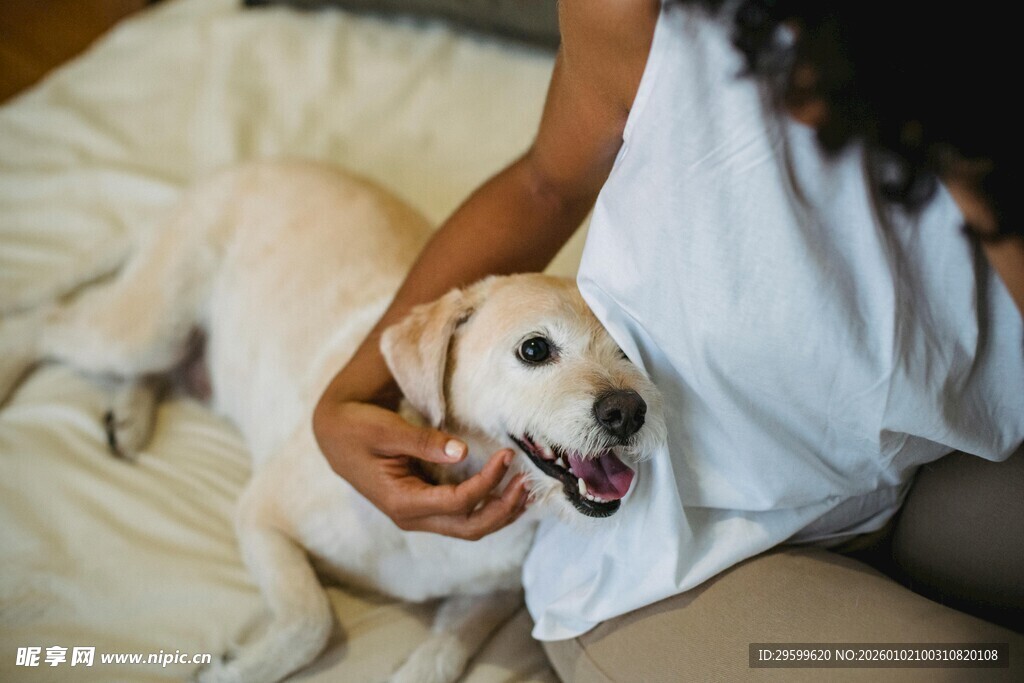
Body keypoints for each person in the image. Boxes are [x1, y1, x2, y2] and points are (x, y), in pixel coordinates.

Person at [314, 0, 1024, 676]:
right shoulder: (636, 16)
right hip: (671, 540)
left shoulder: (969, 61)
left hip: (941, 453)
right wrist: (349, 396)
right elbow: (545, 184)